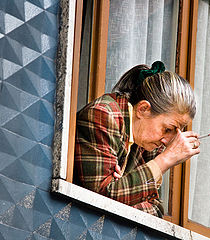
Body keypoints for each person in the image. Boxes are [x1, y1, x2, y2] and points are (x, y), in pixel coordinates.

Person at [74, 61, 200, 218]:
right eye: (167, 129)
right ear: (143, 109)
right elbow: (101, 199)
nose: (167, 142)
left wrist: (125, 188)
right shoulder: (103, 115)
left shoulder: (147, 141)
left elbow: (156, 210)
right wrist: (163, 162)